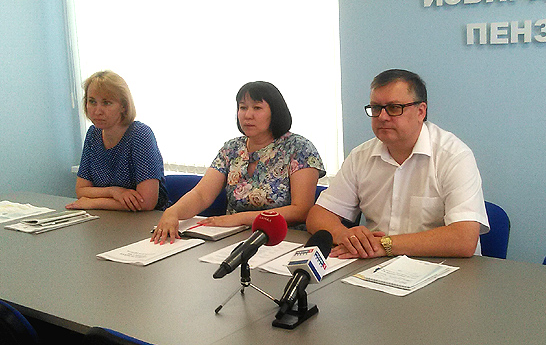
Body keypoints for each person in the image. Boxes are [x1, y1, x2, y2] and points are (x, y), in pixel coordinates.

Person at [306, 69, 489, 259]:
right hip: (375, 267)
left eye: (394, 108)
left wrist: (383, 245)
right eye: (376, 108)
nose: (382, 116)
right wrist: (344, 235)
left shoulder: (454, 156)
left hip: (444, 268)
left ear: (420, 111)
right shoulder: (360, 156)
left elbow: (464, 239)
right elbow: (318, 215)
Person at [151, 81, 325, 244]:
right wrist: (173, 212)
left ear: (275, 112)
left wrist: (238, 218)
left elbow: (301, 210)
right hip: (233, 238)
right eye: (243, 107)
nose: (248, 115)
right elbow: (201, 195)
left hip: (283, 240)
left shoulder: (299, 148)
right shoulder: (232, 148)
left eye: (257, 108)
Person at [66, 71, 168, 212]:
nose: (97, 111)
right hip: (107, 218)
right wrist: (114, 191)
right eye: (92, 102)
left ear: (123, 106)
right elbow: (81, 190)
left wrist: (94, 203)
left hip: (146, 220)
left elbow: (146, 202)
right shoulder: (93, 134)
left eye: (107, 103)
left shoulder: (140, 134)